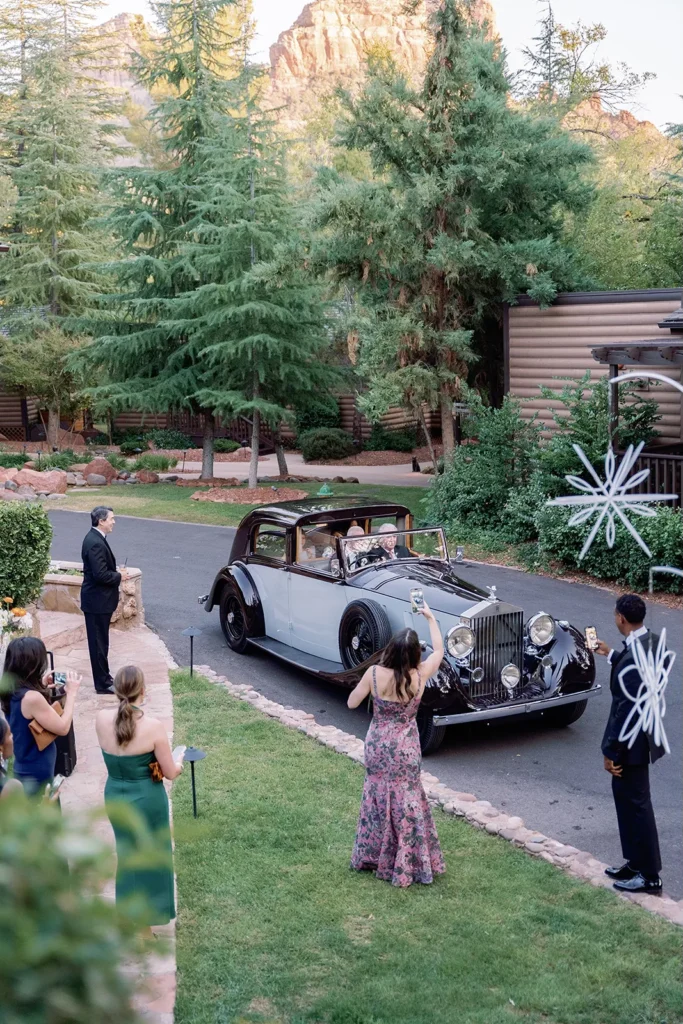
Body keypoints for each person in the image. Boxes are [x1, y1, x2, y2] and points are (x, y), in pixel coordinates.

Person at [346, 602, 446, 887]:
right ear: (415, 654)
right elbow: (439, 650)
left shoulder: (375, 674)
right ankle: (406, 861)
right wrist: (430, 616)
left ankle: (373, 855)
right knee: (407, 800)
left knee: (377, 796)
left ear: (390, 650)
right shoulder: (420, 675)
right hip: (405, 747)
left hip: (377, 744)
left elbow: (352, 702)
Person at [96, 665, 182, 926]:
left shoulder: (100, 719)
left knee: (127, 856)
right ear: (143, 691)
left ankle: (128, 917)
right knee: (151, 858)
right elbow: (169, 772)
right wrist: (178, 761)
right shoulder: (153, 727)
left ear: (116, 690)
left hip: (115, 795)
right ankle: (144, 925)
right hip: (146, 798)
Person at [595, 594, 665, 894]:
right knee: (626, 801)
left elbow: (626, 709)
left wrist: (611, 751)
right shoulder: (648, 641)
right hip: (643, 735)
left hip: (632, 743)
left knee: (636, 806)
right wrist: (610, 654)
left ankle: (649, 875)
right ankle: (634, 863)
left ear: (621, 617)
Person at [0, 636, 81, 795]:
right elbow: (63, 728)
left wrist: (41, 685)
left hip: (21, 764)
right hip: (35, 771)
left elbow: (22, 713)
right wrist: (71, 694)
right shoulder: (32, 698)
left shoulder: (9, 689)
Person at [82, 506, 126, 695]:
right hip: (97, 602)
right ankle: (102, 684)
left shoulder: (97, 539)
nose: (114, 522)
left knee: (102, 642)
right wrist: (119, 575)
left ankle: (105, 677)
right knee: (98, 643)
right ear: (101, 521)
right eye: (111, 518)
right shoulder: (95, 542)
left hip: (99, 601)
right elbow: (100, 575)